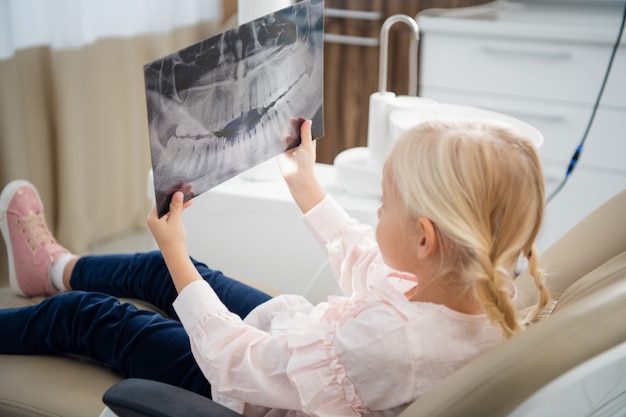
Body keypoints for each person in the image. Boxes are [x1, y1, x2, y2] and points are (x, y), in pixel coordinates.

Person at [0, 118, 549, 417]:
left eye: (385, 203)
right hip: (296, 346)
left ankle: (58, 290)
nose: (375, 214)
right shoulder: (474, 284)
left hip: (244, 390)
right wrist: (305, 184)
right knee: (169, 273)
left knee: (95, 318)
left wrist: (175, 249)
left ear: (425, 238)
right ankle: (51, 269)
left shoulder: (388, 343)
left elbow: (232, 360)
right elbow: (367, 257)